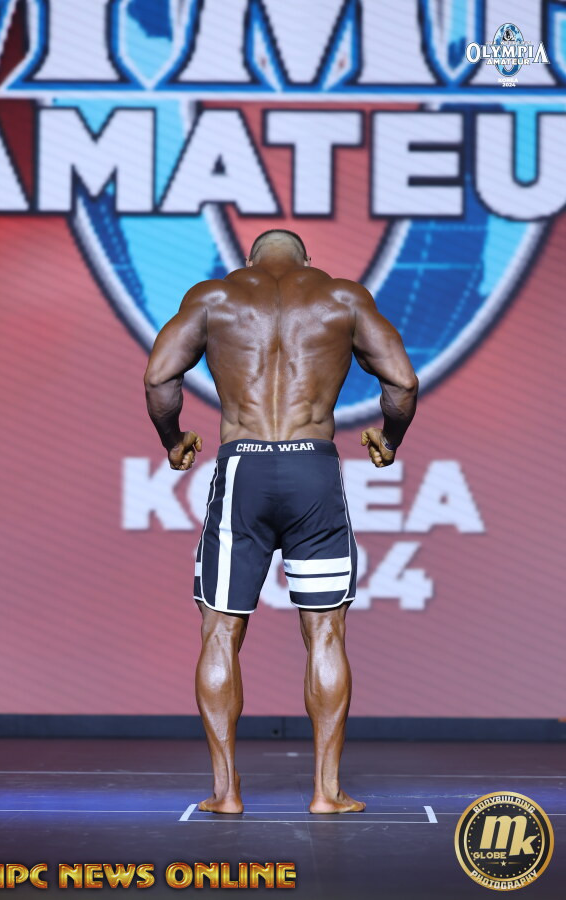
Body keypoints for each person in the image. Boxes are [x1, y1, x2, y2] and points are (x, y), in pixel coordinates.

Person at [144, 229, 418, 814]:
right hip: (311, 469)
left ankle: (226, 793)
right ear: (307, 261)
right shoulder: (343, 298)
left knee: (220, 632)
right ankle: (326, 791)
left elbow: (159, 377)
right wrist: (389, 440)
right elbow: (402, 381)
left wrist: (173, 440)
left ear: (248, 259)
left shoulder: (213, 298)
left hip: (242, 466)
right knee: (326, 633)